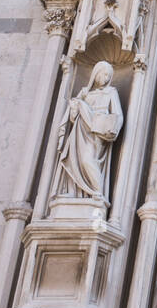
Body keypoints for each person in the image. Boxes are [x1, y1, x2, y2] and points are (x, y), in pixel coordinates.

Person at [52, 61, 123, 206]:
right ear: (96, 73)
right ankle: (76, 193)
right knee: (74, 158)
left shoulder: (111, 92)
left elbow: (117, 115)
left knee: (87, 159)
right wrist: (75, 107)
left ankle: (98, 192)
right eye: (103, 74)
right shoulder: (85, 93)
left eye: (108, 75)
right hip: (80, 128)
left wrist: (112, 128)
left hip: (97, 130)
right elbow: (73, 118)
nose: (105, 77)